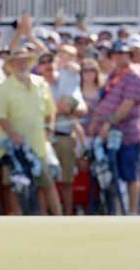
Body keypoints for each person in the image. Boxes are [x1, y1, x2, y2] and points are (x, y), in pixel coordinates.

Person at [0, 46, 62, 215]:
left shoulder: (41, 84)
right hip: (14, 149)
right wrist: (13, 134)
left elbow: (50, 111)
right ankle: (19, 222)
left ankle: (59, 218)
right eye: (18, 62)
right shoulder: (4, 88)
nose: (21, 64)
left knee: (47, 183)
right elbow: (0, 116)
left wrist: (49, 128)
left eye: (24, 61)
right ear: (12, 65)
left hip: (39, 145)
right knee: (16, 187)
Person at [91, 41, 140, 215]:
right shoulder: (114, 74)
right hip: (110, 135)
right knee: (111, 176)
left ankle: (133, 212)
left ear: (129, 55)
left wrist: (108, 123)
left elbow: (127, 105)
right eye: (115, 53)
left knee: (130, 175)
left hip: (127, 133)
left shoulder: (134, 75)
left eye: (122, 53)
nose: (118, 56)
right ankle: (116, 212)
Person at [37, 48, 87, 215]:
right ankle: (43, 217)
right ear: (39, 67)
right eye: (43, 63)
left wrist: (68, 108)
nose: (47, 65)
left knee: (66, 182)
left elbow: (82, 108)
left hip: (65, 137)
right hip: (43, 138)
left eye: (49, 61)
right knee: (44, 182)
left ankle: (67, 216)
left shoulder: (67, 80)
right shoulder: (36, 85)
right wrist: (56, 110)